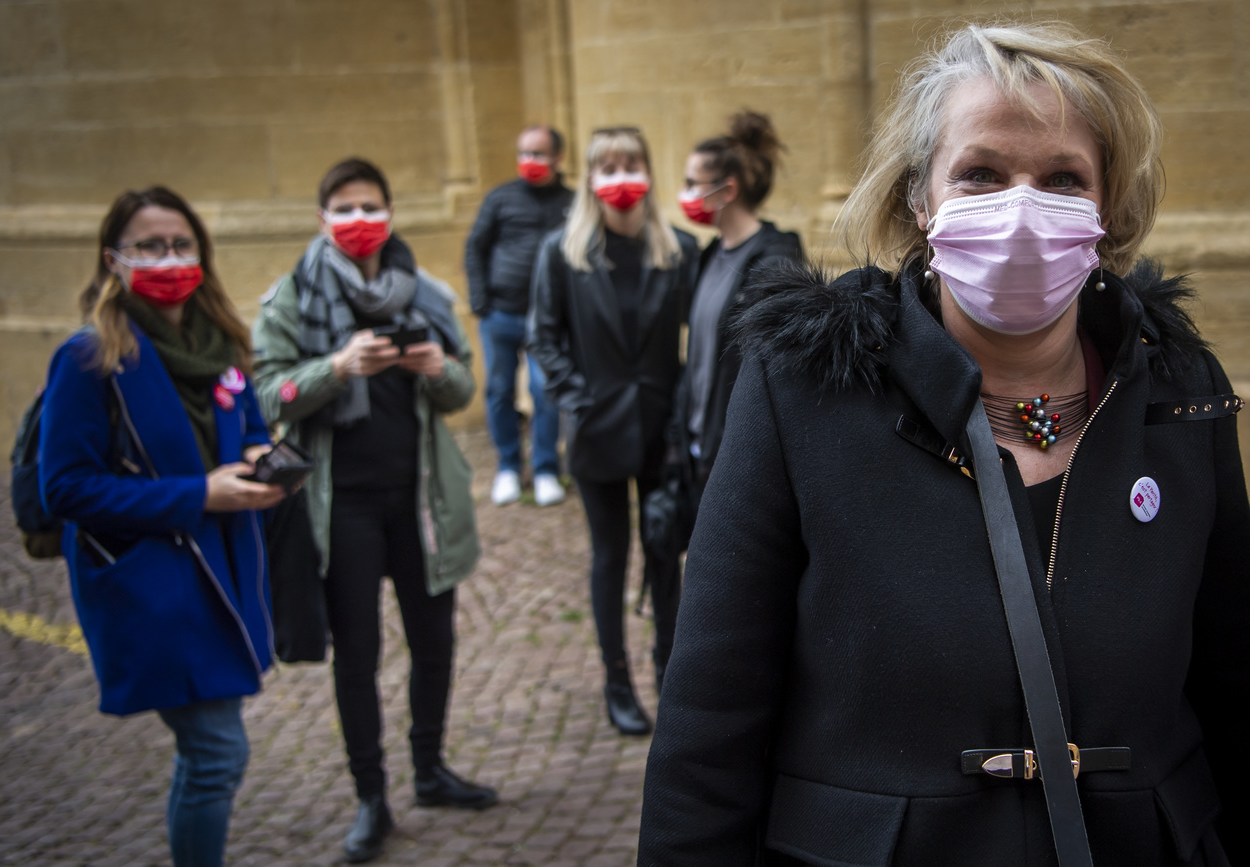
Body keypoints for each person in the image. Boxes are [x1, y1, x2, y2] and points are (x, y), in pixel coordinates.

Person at [639, 20, 1248, 866]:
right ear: (919, 201)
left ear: (1105, 209)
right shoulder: (804, 393)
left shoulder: (1181, 390)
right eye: (981, 173)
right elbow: (712, 715)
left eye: (1063, 178)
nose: (1021, 208)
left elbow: (1231, 680)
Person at [251, 158, 496, 864]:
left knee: (435, 642)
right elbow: (267, 395)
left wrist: (437, 370)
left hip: (419, 499)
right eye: (344, 207)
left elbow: (461, 390)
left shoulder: (425, 291)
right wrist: (336, 368)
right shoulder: (291, 297)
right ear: (322, 218)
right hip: (342, 507)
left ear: (389, 214)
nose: (359, 219)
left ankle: (430, 769)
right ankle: (371, 796)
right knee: (357, 655)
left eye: (370, 206)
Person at [39, 187, 286, 867]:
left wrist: (263, 457)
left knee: (208, 751)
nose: (169, 258)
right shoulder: (89, 359)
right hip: (158, 580)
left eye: (181, 244)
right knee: (216, 751)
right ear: (113, 259)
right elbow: (64, 487)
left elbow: (249, 425)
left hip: (224, 567)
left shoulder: (221, 345)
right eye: (149, 246)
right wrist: (197, 494)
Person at [529, 127, 698, 736]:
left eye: (631, 164)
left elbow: (701, 338)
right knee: (610, 555)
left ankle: (670, 674)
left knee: (664, 553)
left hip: (662, 429)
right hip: (597, 429)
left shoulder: (677, 249)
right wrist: (579, 401)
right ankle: (616, 681)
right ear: (590, 178)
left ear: (648, 172)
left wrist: (686, 409)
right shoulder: (563, 252)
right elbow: (544, 337)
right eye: (607, 166)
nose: (620, 176)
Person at [674, 109, 803, 498]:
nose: (685, 194)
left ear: (727, 190)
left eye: (692, 184)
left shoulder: (774, 262)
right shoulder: (708, 255)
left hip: (735, 452)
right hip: (697, 443)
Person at [465, 125, 573, 506]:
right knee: (499, 391)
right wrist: (480, 301)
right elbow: (475, 248)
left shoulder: (572, 202)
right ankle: (508, 467)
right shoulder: (501, 198)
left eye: (538, 153)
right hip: (500, 314)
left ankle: (545, 469)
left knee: (545, 392)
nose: (529, 160)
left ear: (558, 157)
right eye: (524, 153)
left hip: (547, 320)